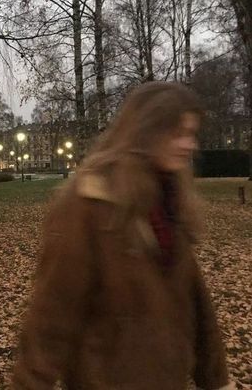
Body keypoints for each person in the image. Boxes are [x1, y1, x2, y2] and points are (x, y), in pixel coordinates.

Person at [12, 82, 235, 390]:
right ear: (145, 131)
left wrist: (217, 380)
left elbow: (196, 303)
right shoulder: (89, 203)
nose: (189, 145)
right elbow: (51, 315)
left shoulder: (169, 200)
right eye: (177, 133)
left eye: (191, 134)